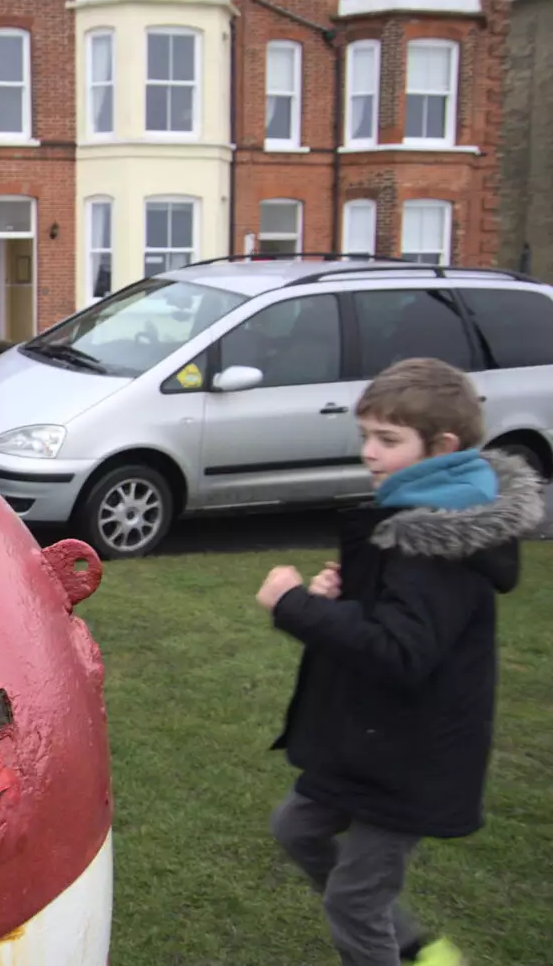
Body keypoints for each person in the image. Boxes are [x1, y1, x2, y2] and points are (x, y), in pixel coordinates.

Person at [255, 357, 544, 966]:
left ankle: (401, 949)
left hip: (412, 758)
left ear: (442, 446)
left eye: (387, 440)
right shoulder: (414, 517)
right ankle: (416, 947)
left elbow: (400, 652)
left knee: (354, 903)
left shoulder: (433, 541)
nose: (369, 452)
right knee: (296, 828)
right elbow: (396, 624)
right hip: (372, 740)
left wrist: (295, 606)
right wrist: (347, 598)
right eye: (365, 436)